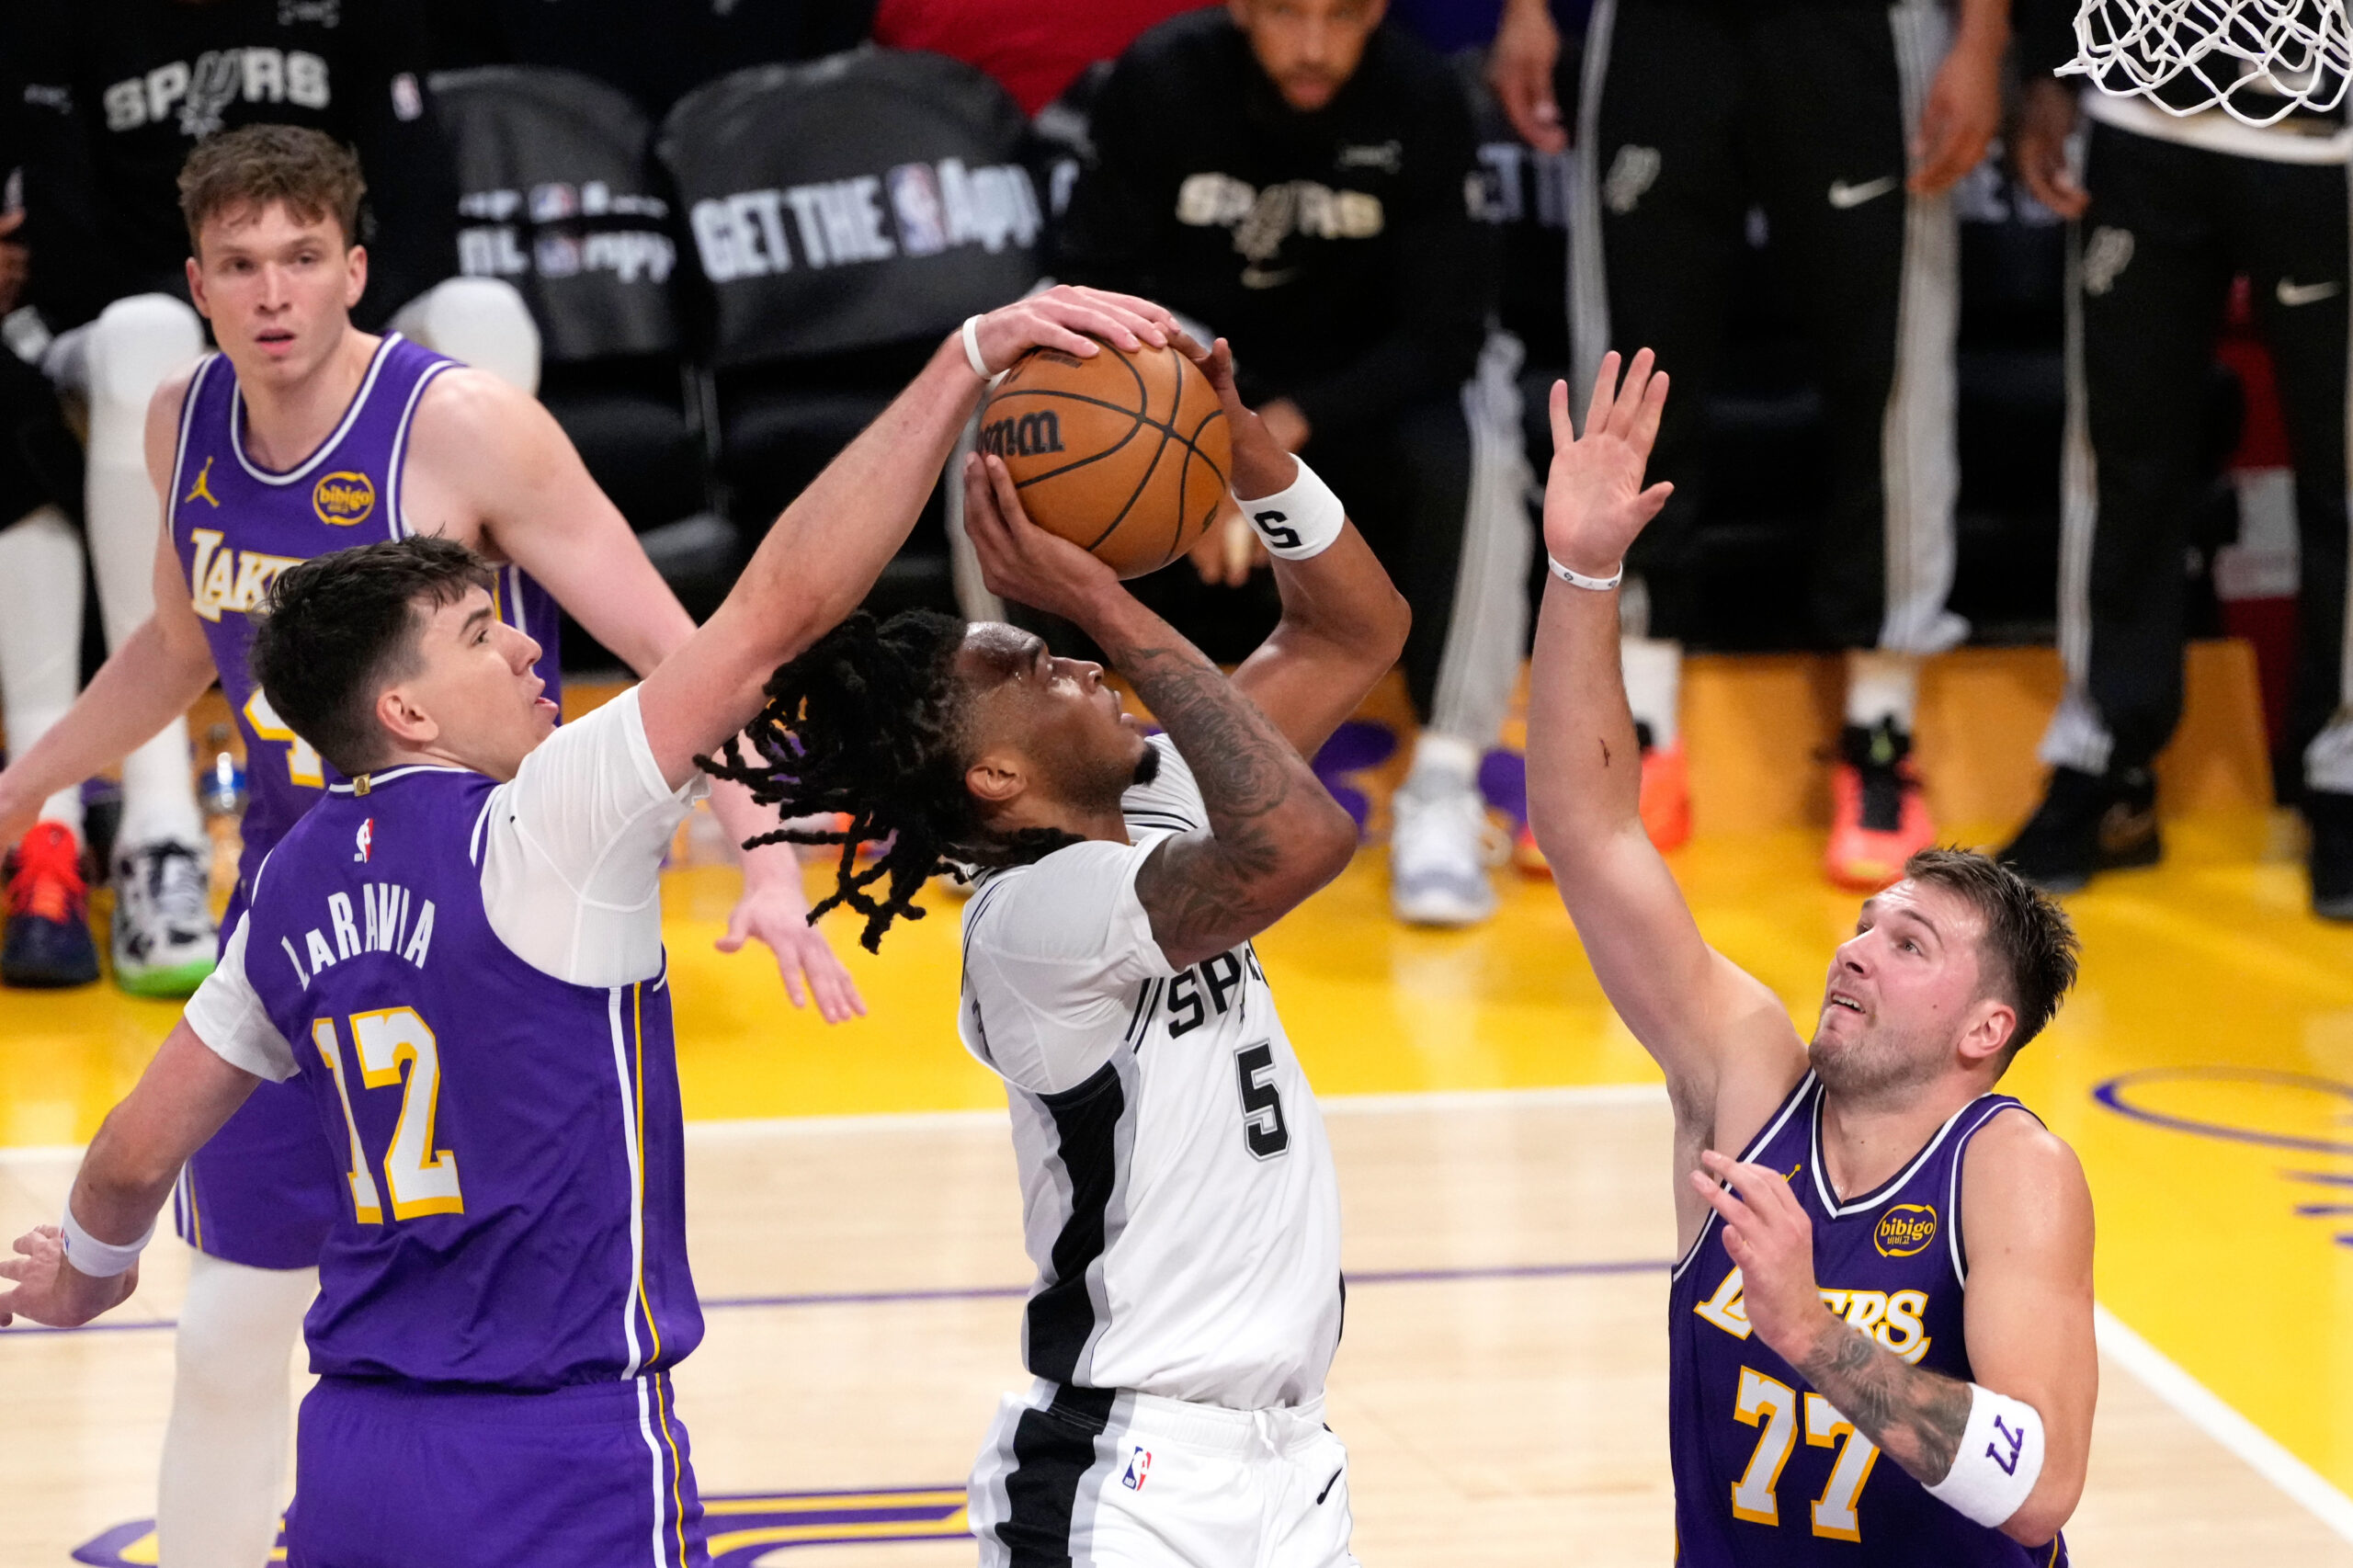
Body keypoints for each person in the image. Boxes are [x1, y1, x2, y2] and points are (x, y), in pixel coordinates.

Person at [0, 284, 1179, 1566]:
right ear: (405, 712)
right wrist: (961, 358)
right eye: (476, 633)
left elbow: (128, 1154)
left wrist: (95, 1269)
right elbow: (778, 606)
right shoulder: (552, 819)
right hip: (565, 1456)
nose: (524, 649)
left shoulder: (283, 887)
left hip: (353, 1461)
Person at [0, 124, 860, 1568]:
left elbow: (676, 647)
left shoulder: (462, 425)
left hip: (485, 918)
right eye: (236, 264)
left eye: (297, 260)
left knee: (484, 1320)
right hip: (303, 917)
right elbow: (170, 648)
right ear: (198, 283)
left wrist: (765, 853)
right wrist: (22, 785)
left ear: (353, 268)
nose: (270, 293)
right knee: (227, 1320)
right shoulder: (180, 422)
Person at [702, 339, 1409, 1564]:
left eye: (1063, 648)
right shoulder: (1034, 923)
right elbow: (1304, 837)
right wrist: (1104, 602)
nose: (1080, 665)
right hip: (1125, 1482)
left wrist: (1242, 447)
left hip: (1288, 1463)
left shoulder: (1168, 798)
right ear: (997, 775)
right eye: (1042, 671)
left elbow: (1359, 628)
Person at [1526, 351, 2095, 1562]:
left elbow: (2041, 1486)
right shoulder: (1747, 1083)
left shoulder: (2008, 1172)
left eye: (1909, 941)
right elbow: (1589, 832)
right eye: (1864, 923)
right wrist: (1582, 569)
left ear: (1984, 1028)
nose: (1856, 950)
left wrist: (1811, 1329)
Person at [8, 0, 536, 994]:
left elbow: (417, 202)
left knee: (483, 311)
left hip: (331, 322)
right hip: (139, 325)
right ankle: (159, 833)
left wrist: (330, 344)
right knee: (142, 340)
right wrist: (237, 301)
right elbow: (66, 233)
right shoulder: (66, 22)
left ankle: (494, 779)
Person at [1056, 0, 1522, 928]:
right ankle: (1040, 781)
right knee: (1010, 422)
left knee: (1474, 437)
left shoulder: (1423, 97)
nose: (1313, 47)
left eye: (1342, 15)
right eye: (1285, 13)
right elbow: (1093, 283)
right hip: (1183, 373)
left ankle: (1441, 782)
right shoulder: (1157, 79)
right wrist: (1195, 438)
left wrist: (1258, 451)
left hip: (1357, 388)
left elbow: (1445, 332)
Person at [1569, 0, 2010, 888]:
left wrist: (1983, 35)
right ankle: (1637, 728)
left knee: (1889, 376)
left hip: (1865, 29)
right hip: (1660, 31)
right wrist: (1527, 15)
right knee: (1631, 368)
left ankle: (1881, 737)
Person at [2000, 1, 2353, 915]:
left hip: (2328, 117)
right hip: (2138, 99)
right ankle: (2106, 757)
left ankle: (2344, 772)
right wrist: (2047, 62)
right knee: (2121, 455)